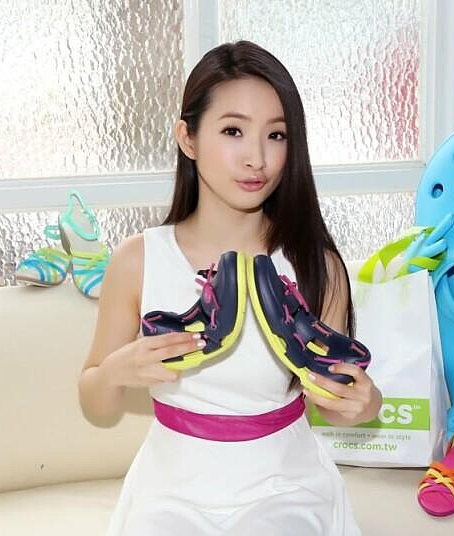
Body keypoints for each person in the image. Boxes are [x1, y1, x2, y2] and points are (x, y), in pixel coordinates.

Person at [78, 40, 382, 536]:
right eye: (233, 131)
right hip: (171, 489)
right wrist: (119, 369)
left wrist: (365, 405)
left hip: (285, 486)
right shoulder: (138, 260)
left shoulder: (315, 264)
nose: (257, 158)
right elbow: (95, 401)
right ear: (188, 138)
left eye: (276, 135)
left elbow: (332, 400)